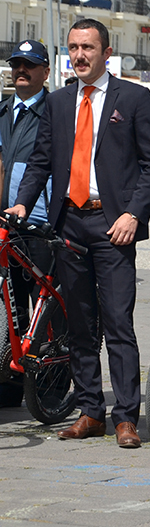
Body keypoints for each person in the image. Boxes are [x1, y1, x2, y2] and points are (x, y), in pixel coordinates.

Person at [6, 19, 150, 448]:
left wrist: (134, 214)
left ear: (106, 52)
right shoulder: (57, 103)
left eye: (88, 48)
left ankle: (127, 417)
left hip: (113, 225)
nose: (79, 55)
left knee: (117, 322)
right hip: (69, 223)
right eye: (73, 48)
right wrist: (23, 200)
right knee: (77, 322)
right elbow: (41, 162)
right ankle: (91, 411)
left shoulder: (133, 97)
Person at [0, 40, 52, 408]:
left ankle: (52, 385)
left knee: (47, 304)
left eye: (29, 65)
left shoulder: (55, 112)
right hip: (7, 223)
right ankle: (11, 382)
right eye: (17, 64)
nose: (21, 71)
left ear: (45, 72)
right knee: (11, 302)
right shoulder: (2, 111)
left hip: (44, 223)